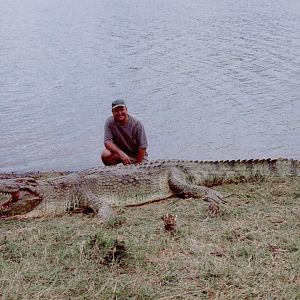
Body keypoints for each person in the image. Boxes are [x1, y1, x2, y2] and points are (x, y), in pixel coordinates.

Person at [101, 99, 148, 165]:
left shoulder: (137, 123)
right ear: (112, 112)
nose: (120, 113)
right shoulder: (109, 122)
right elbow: (107, 142)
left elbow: (143, 147)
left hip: (138, 156)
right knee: (105, 154)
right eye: (116, 111)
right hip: (122, 155)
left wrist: (138, 164)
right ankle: (117, 173)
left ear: (126, 109)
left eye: (122, 109)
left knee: (139, 166)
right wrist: (121, 153)